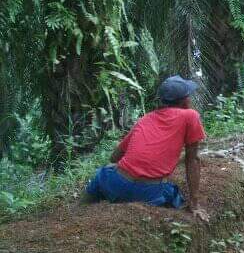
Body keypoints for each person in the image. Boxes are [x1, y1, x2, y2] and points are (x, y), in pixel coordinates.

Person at [82, 76, 207, 219]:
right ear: (184, 100)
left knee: (102, 174)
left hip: (116, 184)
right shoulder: (190, 115)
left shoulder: (146, 118)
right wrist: (195, 204)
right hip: (149, 193)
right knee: (173, 194)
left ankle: (77, 211)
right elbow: (193, 160)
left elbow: (115, 157)